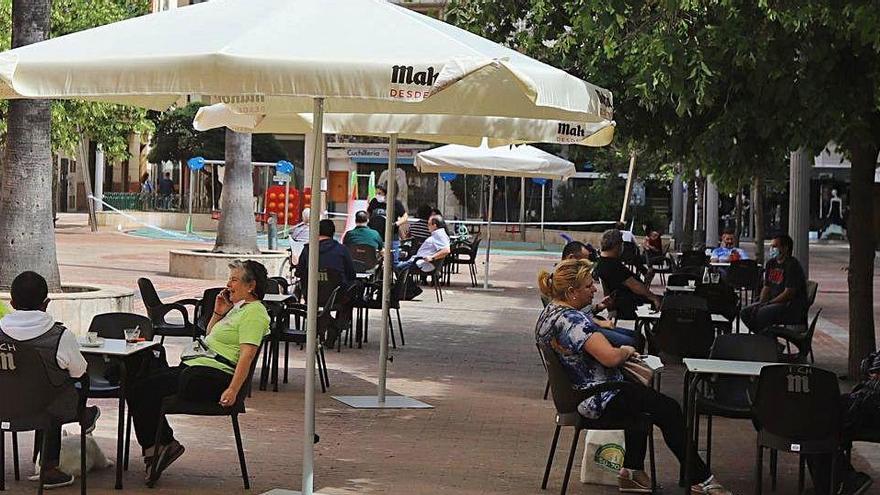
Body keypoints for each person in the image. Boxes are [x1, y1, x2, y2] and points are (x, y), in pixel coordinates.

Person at [535, 260, 731, 495]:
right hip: (598, 397)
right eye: (588, 286)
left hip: (575, 396)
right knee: (668, 409)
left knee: (642, 402)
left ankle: (632, 472)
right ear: (572, 292)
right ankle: (701, 478)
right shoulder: (573, 322)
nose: (595, 290)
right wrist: (627, 351)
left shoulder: (550, 314)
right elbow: (610, 357)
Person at [126, 261, 270, 485]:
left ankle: (160, 446)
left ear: (250, 286)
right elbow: (211, 338)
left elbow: (247, 356)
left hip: (214, 377)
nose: (228, 284)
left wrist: (233, 390)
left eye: (234, 279)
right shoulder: (238, 309)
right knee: (138, 384)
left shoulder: (255, 314)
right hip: (197, 367)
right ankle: (159, 446)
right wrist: (218, 313)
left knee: (160, 385)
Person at [0, 271, 99, 489]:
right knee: (60, 388)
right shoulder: (60, 336)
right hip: (46, 411)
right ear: (46, 303)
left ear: (12, 303)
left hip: (3, 408)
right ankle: (49, 468)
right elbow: (79, 371)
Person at [804, 349, 878, 495]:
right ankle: (835, 482)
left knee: (818, 422)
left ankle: (840, 481)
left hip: (871, 406)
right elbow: (869, 364)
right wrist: (872, 366)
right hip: (866, 401)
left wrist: (874, 374)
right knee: (816, 419)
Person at [558, 241, 638, 348]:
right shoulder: (560, 282)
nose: (587, 265)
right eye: (583, 261)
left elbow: (578, 310)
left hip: (587, 323)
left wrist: (598, 307)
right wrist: (597, 323)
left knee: (636, 336)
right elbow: (568, 316)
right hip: (583, 327)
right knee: (633, 341)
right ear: (571, 258)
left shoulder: (575, 277)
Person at [740, 234, 808, 334]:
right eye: (771, 246)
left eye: (775, 246)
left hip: (790, 306)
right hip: (772, 303)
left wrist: (768, 304)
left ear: (785, 248)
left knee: (762, 314)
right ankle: (767, 339)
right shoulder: (771, 263)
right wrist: (761, 303)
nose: (772, 249)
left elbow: (788, 293)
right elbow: (766, 287)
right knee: (745, 313)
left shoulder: (792, 265)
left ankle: (767, 341)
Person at [593, 229, 661, 319]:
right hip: (630, 305)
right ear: (616, 245)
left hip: (624, 302)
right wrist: (654, 298)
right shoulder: (614, 266)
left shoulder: (602, 263)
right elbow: (634, 285)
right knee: (669, 304)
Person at [296, 219, 357, 285]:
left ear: (317, 231)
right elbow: (351, 274)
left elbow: (299, 272)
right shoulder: (342, 250)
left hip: (310, 291)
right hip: (337, 292)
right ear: (333, 233)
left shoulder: (308, 249)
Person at [367, 183, 407, 263]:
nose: (377, 195)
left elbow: (405, 216)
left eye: (379, 193)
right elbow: (368, 213)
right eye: (376, 193)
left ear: (386, 193)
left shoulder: (395, 203)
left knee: (394, 262)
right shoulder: (374, 202)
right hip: (377, 237)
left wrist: (396, 224)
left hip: (392, 236)